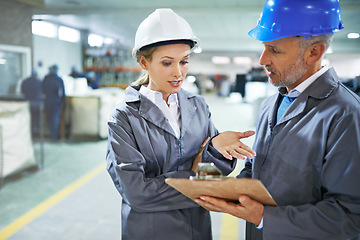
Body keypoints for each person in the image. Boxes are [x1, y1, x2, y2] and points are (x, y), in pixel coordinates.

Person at [195, 0, 360, 239]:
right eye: (264, 47)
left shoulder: (346, 115)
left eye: (275, 50)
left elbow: (351, 217)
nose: (262, 60)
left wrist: (263, 217)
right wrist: (223, 185)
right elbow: (258, 168)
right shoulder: (272, 103)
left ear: (314, 52)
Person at [106, 8, 256, 240]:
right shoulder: (124, 118)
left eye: (184, 61)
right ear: (144, 62)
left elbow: (213, 177)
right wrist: (194, 178)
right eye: (167, 63)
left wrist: (216, 151)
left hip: (197, 228)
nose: (178, 73)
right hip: (150, 231)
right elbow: (136, 192)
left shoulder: (198, 106)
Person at [42, 64, 66, 141]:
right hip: (56, 102)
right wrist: (63, 101)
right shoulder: (59, 80)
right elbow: (62, 92)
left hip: (47, 101)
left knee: (49, 118)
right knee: (55, 119)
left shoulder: (46, 79)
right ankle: (54, 137)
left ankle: (52, 135)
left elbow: (42, 90)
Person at [21, 69, 42, 135]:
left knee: (27, 119)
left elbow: (22, 91)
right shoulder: (39, 82)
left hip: (27, 103)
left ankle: (28, 134)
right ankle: (33, 133)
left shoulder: (25, 81)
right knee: (34, 120)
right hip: (36, 104)